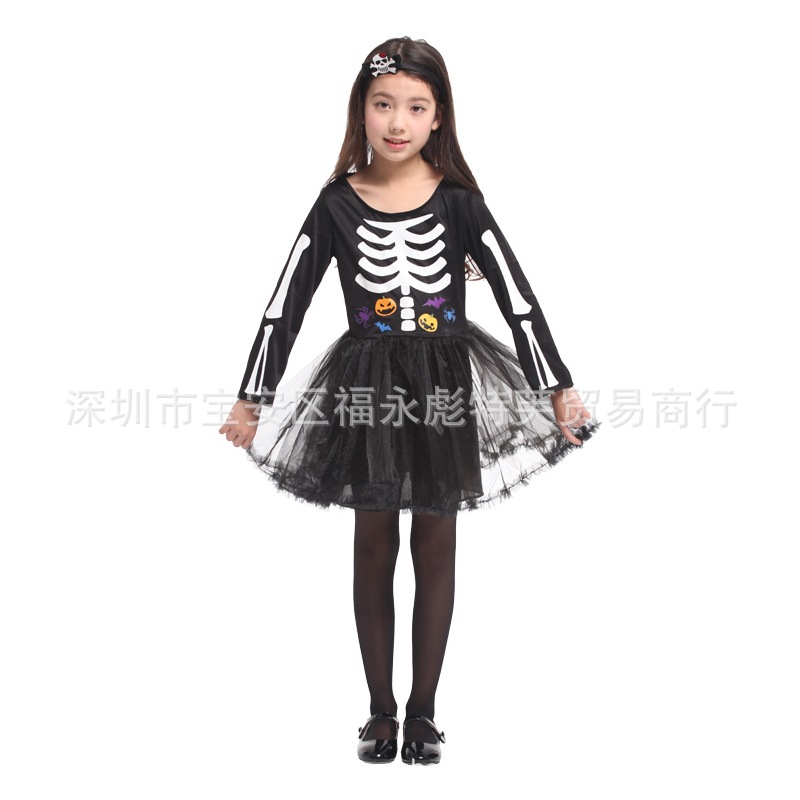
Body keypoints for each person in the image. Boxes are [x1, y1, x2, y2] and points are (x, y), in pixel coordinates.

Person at [219, 36, 600, 766]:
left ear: (439, 116)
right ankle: (378, 711)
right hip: (365, 386)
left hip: (445, 384)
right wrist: (252, 397)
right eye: (383, 104)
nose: (398, 121)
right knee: (372, 543)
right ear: (360, 111)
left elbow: (518, 297)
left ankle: (423, 711)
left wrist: (559, 389)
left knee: (435, 542)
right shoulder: (335, 203)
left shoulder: (460, 203)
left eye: (416, 107)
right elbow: (285, 302)